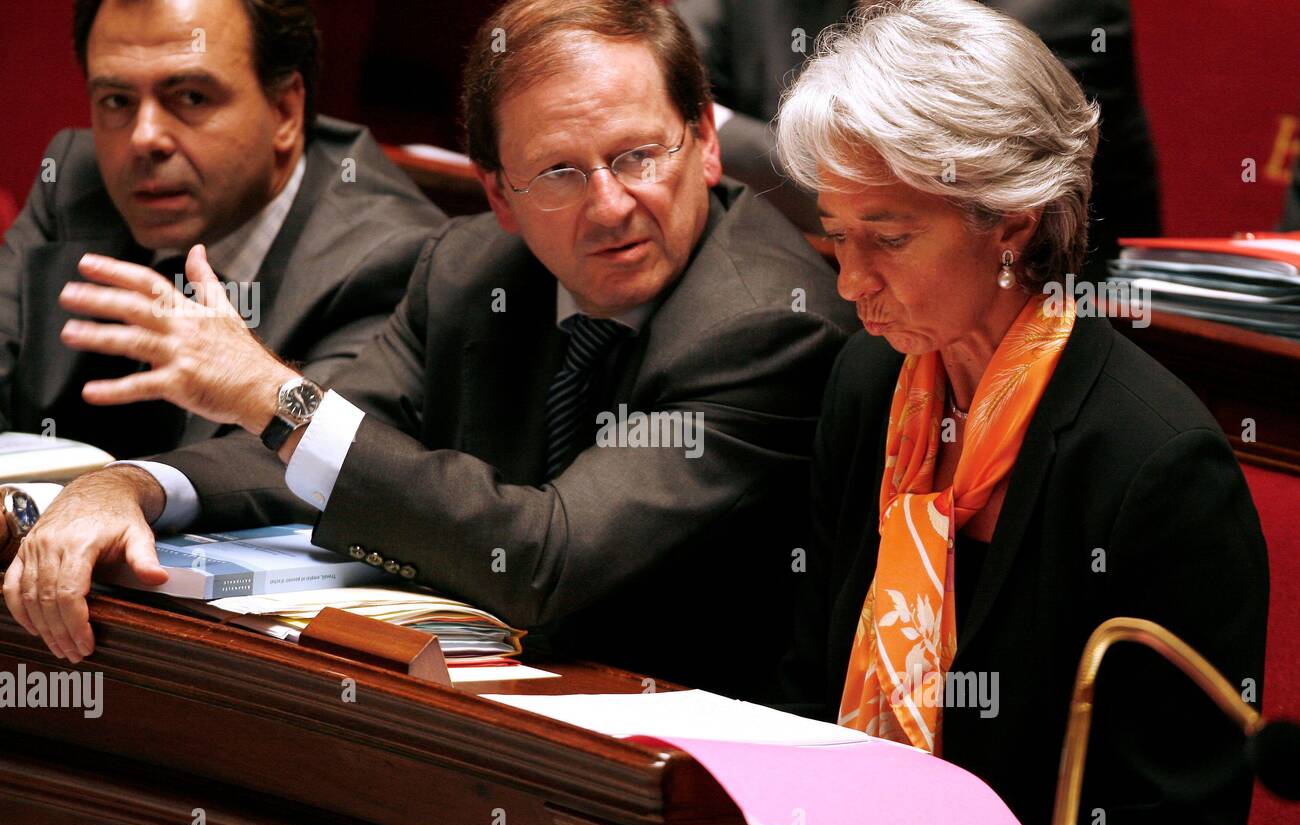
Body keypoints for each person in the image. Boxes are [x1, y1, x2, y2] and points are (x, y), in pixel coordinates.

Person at [5, 0, 879, 703]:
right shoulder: (472, 269)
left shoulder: (768, 325)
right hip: (487, 708)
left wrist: (271, 394)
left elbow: (547, 559)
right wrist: (130, 487)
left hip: (685, 762)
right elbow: (334, 445)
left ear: (708, 142)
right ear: (498, 194)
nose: (611, 205)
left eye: (639, 155)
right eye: (561, 175)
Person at [775, 0, 1267, 825]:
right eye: (838, 237)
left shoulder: (1154, 467)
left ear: (1010, 221)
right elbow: (808, 691)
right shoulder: (867, 384)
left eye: (887, 238)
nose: (851, 281)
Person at [0, 0, 445, 459]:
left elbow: (312, 463)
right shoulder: (76, 179)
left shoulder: (389, 257)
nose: (143, 138)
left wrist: (125, 489)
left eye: (191, 97)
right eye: (117, 101)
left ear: (286, 112)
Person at [677, 0, 1163, 275]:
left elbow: (904, 186)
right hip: (823, 307)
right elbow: (663, 80)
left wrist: (704, 128)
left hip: (1039, 328)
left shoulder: (1050, 11)